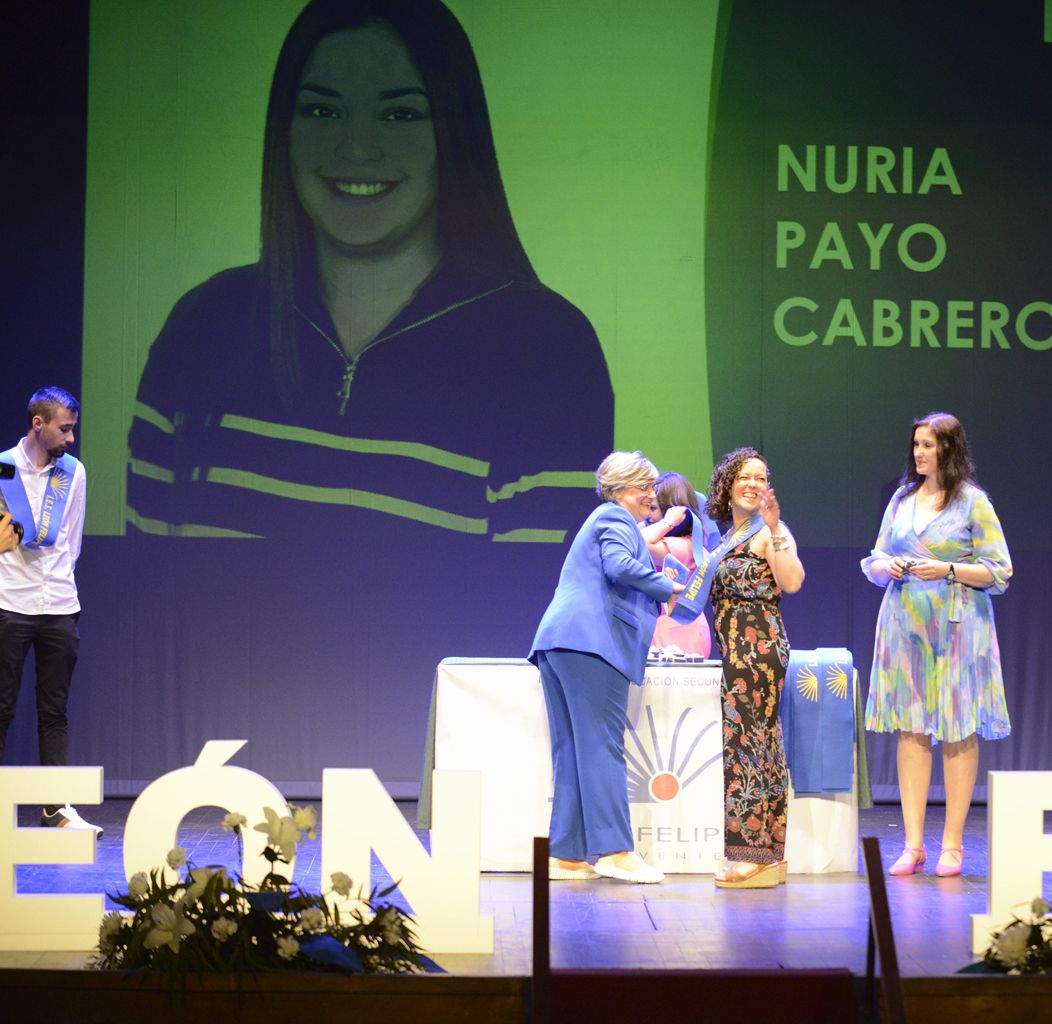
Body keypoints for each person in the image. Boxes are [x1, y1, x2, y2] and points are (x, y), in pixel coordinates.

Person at [126, 0, 611, 541]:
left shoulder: (547, 348)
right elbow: (152, 597)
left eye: (399, 113)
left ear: (452, 133)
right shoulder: (203, 326)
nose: (357, 146)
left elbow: (540, 609)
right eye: (322, 111)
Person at [861, 412, 1012, 877]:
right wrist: (888, 567)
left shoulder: (972, 503)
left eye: (927, 445)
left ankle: (952, 845)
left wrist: (947, 570)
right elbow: (874, 557)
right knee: (911, 729)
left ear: (948, 448)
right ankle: (912, 844)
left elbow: (999, 571)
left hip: (957, 628)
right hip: (905, 625)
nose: (918, 453)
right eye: (916, 445)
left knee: (957, 728)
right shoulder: (903, 499)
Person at [529, 451, 682, 884]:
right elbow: (619, 566)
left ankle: (566, 854)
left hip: (560, 642)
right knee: (601, 746)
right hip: (591, 644)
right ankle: (615, 851)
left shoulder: (608, 519)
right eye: (645, 488)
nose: (650, 497)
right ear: (622, 489)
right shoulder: (614, 517)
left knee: (573, 750)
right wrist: (667, 585)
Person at [0, 388, 101, 835]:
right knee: (1, 706)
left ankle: (55, 808)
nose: (71, 438)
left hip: (59, 605)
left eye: (73, 428)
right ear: (38, 424)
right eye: (64, 428)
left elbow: (71, 541)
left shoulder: (73, 472)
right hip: (9, 602)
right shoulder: (2, 468)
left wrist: (59, 585)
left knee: (54, 709)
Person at [704, 447, 804, 887]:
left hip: (757, 652)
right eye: (744, 476)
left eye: (761, 478)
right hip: (737, 653)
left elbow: (793, 581)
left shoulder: (769, 532)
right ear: (728, 486)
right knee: (760, 747)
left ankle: (751, 855)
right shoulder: (727, 538)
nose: (752, 483)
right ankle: (769, 854)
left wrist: (778, 528)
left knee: (747, 748)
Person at [643, 471, 712, 658]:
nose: (648, 515)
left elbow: (641, 543)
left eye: (653, 508)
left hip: (678, 630)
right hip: (666, 626)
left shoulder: (684, 546)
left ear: (671, 510)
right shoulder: (681, 542)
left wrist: (668, 522)